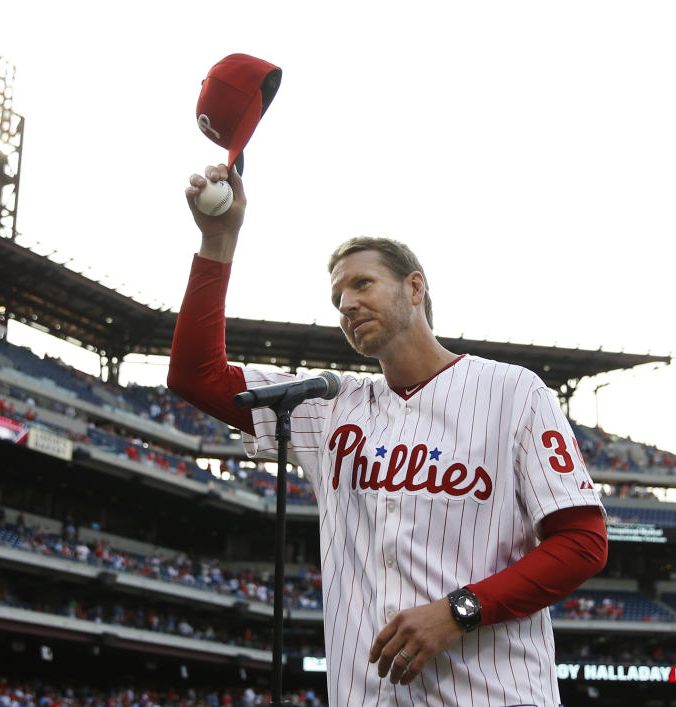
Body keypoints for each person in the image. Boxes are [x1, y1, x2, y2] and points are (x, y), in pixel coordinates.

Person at [168, 164, 608, 706]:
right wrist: (218, 238)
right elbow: (196, 376)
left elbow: (583, 543)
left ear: (414, 287)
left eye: (362, 284)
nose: (346, 303)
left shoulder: (513, 392)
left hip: (496, 695)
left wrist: (459, 611)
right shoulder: (327, 406)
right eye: (337, 299)